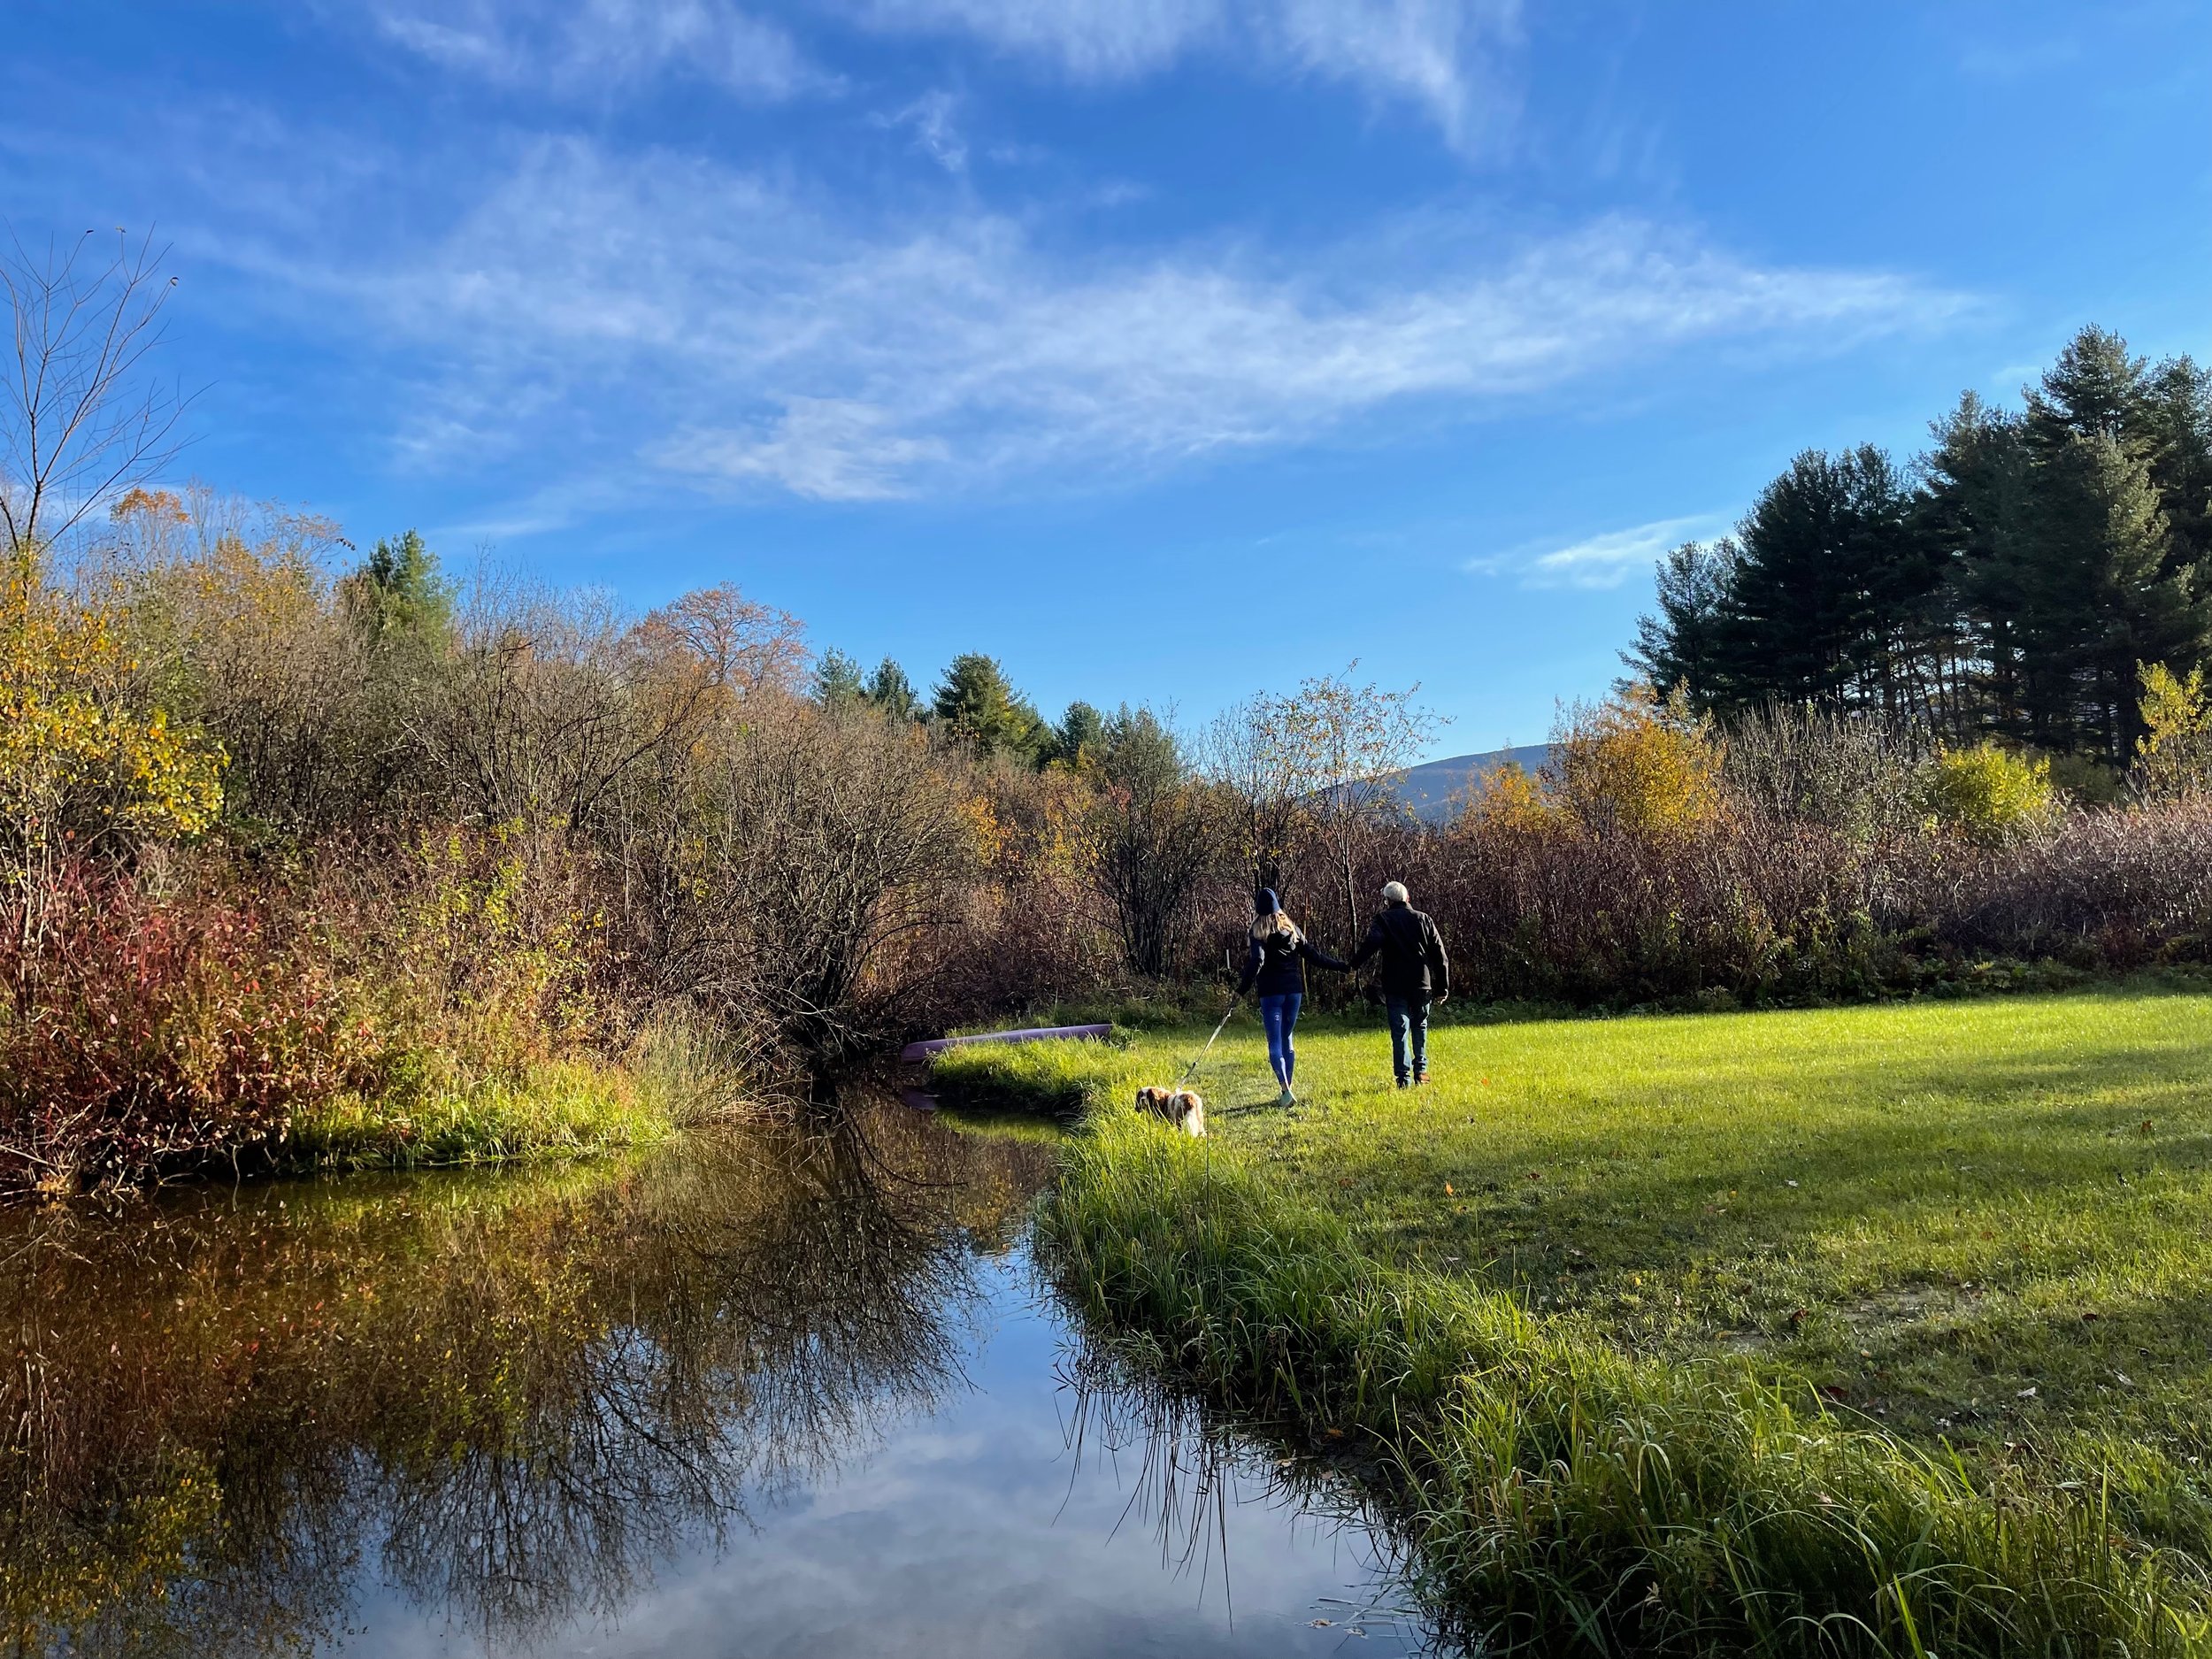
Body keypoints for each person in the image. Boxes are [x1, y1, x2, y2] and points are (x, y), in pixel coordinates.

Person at [1235, 888, 1347, 1108]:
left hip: (1271, 994)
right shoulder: (1291, 929)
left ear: (1258, 911)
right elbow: (1315, 956)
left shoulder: (1258, 931)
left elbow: (1257, 960)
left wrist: (1240, 990)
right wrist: (1341, 966)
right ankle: (1288, 1089)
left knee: (1274, 1043)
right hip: (1294, 991)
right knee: (1288, 1039)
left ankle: (1285, 1090)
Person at [1346, 880, 1450, 1087]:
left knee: (1400, 1030)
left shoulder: (1383, 920)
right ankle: (1421, 1071)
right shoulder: (1424, 919)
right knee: (1420, 1025)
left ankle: (1403, 1078)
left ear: (1387, 901)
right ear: (1407, 898)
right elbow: (1440, 955)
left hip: (1395, 985)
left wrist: (1353, 965)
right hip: (1422, 982)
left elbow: (1370, 945)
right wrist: (1442, 988)